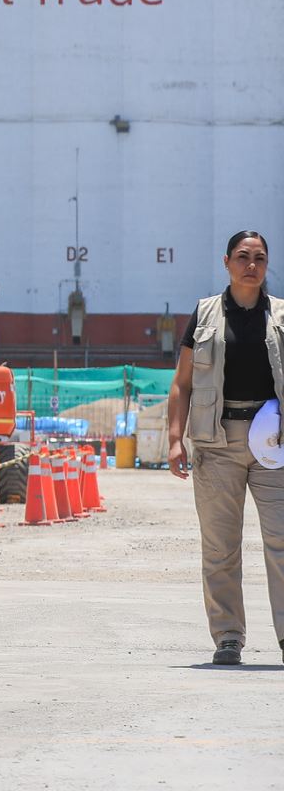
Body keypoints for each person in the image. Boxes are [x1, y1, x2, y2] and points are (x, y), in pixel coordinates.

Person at [166, 229, 284, 667]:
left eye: (259, 258)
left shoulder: (282, 316)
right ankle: (228, 637)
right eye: (242, 256)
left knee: (281, 540)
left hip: (274, 443)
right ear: (226, 262)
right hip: (217, 442)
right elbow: (180, 385)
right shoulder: (205, 314)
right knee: (220, 546)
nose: (251, 265)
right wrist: (176, 439)